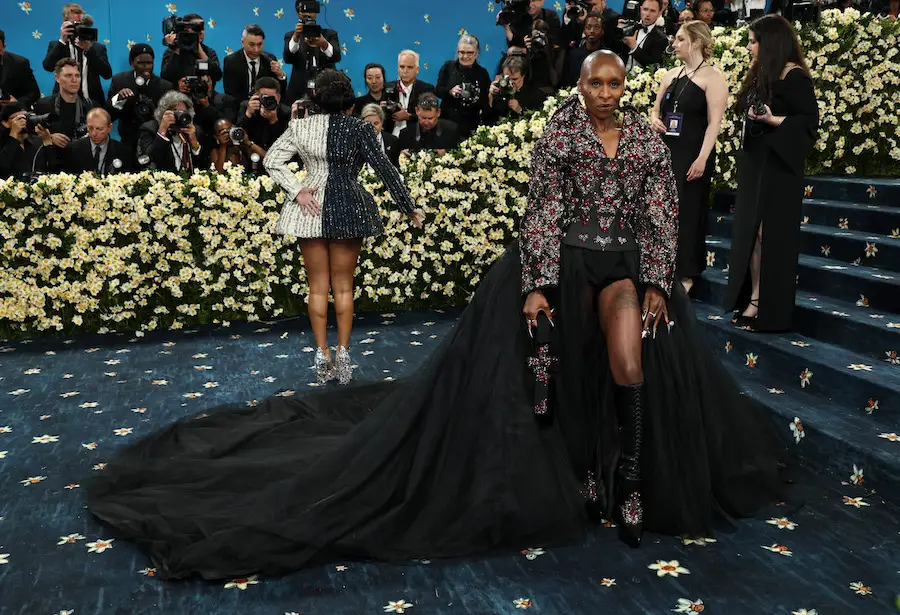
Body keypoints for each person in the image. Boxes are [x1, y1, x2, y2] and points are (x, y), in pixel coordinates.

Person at [86, 51, 787, 582]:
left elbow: (662, 210)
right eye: (595, 83)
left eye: (614, 83)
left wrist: (660, 280)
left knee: (629, 360)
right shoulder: (558, 135)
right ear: (580, 86)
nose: (605, 93)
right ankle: (578, 471)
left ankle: (628, 480)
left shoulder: (640, 141)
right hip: (564, 263)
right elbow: (540, 209)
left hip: (624, 267)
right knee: (560, 362)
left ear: (625, 87)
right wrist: (537, 282)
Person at [263, 70, 425, 383]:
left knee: (317, 286)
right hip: (349, 206)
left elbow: (272, 160)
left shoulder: (299, 126)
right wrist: (408, 207)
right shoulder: (362, 128)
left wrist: (297, 190)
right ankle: (344, 354)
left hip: (309, 209)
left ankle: (322, 353)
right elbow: (385, 171)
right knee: (343, 286)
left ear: (316, 99)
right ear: (349, 101)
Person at [726, 15, 818, 331]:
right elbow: (742, 107)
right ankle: (753, 298)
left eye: (754, 41)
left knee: (770, 235)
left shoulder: (795, 77)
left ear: (770, 42)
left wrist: (772, 120)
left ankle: (769, 306)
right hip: (756, 164)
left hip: (780, 167)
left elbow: (807, 125)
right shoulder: (760, 73)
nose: (750, 47)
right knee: (752, 235)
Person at [650, 21, 727, 294]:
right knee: (662, 212)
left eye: (681, 39)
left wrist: (703, 158)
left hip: (694, 153)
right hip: (666, 152)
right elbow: (655, 110)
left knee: (689, 213)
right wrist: (656, 120)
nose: (675, 44)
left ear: (695, 42)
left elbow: (714, 124)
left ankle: (686, 274)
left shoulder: (713, 77)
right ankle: (661, 268)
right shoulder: (670, 75)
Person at [42, 5, 111, 105]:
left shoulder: (97, 48)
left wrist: (89, 49)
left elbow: (107, 74)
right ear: (64, 24)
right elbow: (47, 66)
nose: (78, 28)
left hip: (92, 102)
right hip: (62, 103)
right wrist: (62, 41)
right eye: (74, 24)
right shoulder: (57, 45)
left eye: (81, 24)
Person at [282, 0, 341, 104]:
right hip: (298, 91)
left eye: (311, 11)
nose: (308, 14)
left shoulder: (329, 34)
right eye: (304, 11)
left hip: (326, 91)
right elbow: (288, 58)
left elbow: (336, 56)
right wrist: (296, 37)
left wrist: (324, 44)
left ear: (317, 13)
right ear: (298, 13)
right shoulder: (290, 35)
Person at [434, 34, 491, 140]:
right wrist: (450, 91)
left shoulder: (482, 73)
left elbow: (485, 102)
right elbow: (438, 90)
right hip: (448, 122)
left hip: (471, 124)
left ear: (476, 53)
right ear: (457, 52)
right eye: (462, 52)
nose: (465, 56)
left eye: (470, 52)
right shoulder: (448, 67)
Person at [136, 90, 206, 172]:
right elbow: (151, 159)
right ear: (163, 112)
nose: (179, 115)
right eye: (175, 111)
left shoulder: (195, 131)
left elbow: (204, 165)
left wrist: (194, 143)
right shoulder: (150, 129)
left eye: (183, 112)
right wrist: (162, 132)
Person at [33, 58, 92, 149]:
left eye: (77, 76)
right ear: (57, 78)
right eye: (68, 75)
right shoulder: (43, 105)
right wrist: (49, 138)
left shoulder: (90, 106)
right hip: (52, 158)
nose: (74, 80)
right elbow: (30, 135)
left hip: (81, 159)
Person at [223, 25, 287, 104]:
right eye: (252, 44)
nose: (256, 49)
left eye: (260, 44)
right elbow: (230, 93)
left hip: (265, 106)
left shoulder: (270, 60)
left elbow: (280, 91)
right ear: (242, 43)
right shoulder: (231, 61)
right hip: (240, 107)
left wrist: (280, 75)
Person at [64, 107, 135, 174]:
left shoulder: (123, 151)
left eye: (99, 129)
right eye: (90, 128)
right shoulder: (73, 149)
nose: (94, 133)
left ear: (109, 127)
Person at [160, 13, 223, 87]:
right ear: (185, 29)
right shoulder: (171, 51)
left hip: (203, 95)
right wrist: (176, 50)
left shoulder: (209, 51)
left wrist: (200, 51)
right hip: (179, 96)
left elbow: (217, 76)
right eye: (196, 28)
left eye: (202, 28)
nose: (201, 32)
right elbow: (165, 77)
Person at [0, 103, 60, 179]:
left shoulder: (37, 142)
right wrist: (14, 134)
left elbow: (54, 171)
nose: (24, 121)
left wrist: (47, 142)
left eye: (26, 117)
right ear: (5, 123)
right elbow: (2, 167)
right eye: (18, 118)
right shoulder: (3, 143)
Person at [386, 50, 435, 138]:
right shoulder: (388, 87)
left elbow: (430, 117)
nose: (405, 71)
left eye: (410, 67)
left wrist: (409, 116)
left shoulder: (426, 89)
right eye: (402, 67)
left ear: (417, 70)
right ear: (398, 68)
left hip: (416, 136)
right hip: (390, 136)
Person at [235, 77, 291, 153]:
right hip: (250, 152)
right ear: (256, 96)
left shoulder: (286, 112)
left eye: (271, 98)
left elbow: (284, 142)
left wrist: (274, 121)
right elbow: (238, 135)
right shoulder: (246, 106)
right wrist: (248, 114)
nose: (268, 101)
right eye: (265, 97)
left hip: (275, 153)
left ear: (278, 98)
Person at [487, 56, 548, 123]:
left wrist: (520, 110)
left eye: (514, 79)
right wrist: (490, 97)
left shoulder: (535, 95)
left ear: (523, 76)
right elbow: (489, 118)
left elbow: (538, 122)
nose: (510, 82)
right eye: (507, 78)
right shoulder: (498, 91)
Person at [561, 11, 607, 88]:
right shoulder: (573, 55)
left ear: (602, 31)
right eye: (588, 27)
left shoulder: (607, 56)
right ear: (584, 30)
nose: (592, 31)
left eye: (596, 27)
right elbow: (566, 83)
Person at [621, 0, 669, 71]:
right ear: (640, 9)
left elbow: (652, 64)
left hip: (641, 79)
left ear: (659, 13)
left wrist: (634, 48)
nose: (647, 14)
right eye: (645, 9)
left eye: (652, 11)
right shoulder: (630, 28)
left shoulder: (661, 38)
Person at [0, 30, 42, 109]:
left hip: (13, 113)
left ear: (4, 47)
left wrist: (16, 103)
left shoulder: (19, 63)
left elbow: (34, 93)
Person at [360, 103, 400, 167]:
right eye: (368, 124)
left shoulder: (393, 141)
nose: (372, 127)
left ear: (382, 123)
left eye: (376, 123)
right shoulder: (356, 142)